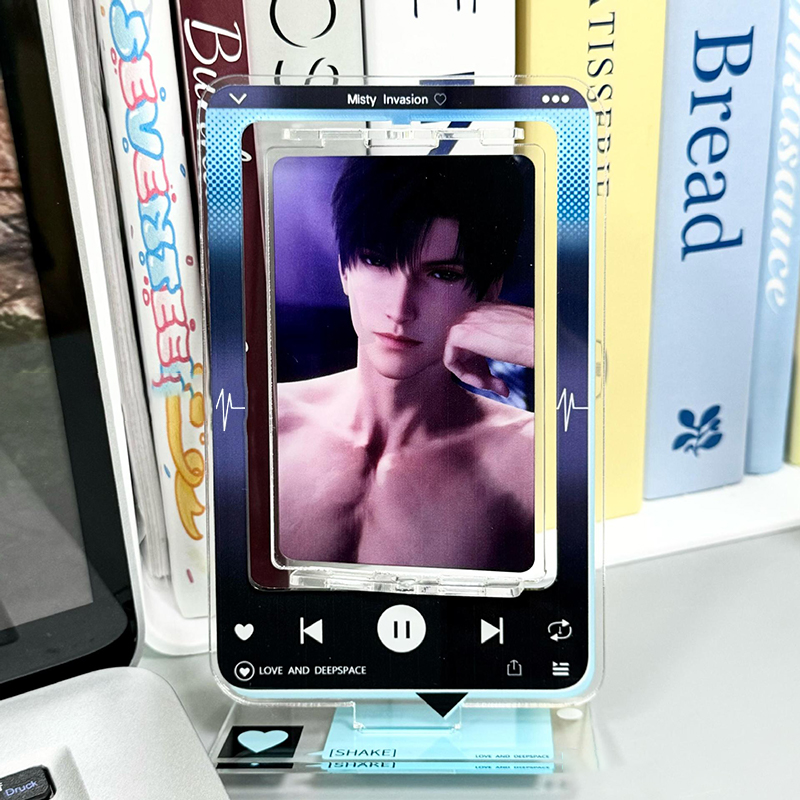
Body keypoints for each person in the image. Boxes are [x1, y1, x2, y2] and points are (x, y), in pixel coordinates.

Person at [276, 156, 534, 572]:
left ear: (490, 290)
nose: (400, 309)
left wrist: (545, 341)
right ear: (344, 270)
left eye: (442, 275)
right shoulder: (270, 422)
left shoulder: (525, 457)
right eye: (377, 261)